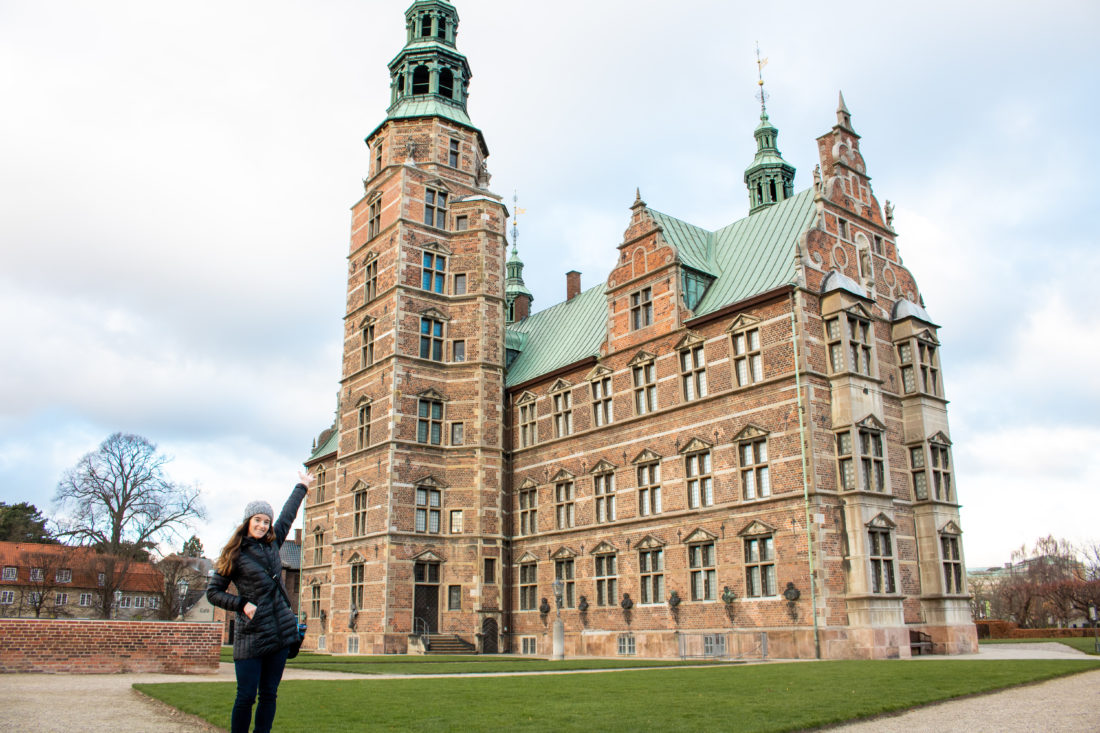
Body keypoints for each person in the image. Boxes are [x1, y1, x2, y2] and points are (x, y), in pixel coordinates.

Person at [207, 471, 314, 733]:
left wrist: (301, 486)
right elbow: (213, 593)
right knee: (245, 697)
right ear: (247, 522)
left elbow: (288, 515)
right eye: (258, 520)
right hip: (252, 636)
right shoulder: (234, 554)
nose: (263, 526)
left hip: (278, 635)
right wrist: (241, 603)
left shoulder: (273, 544)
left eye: (266, 521)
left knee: (269, 695)